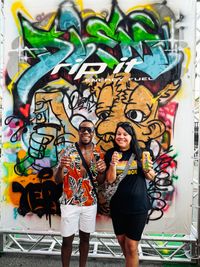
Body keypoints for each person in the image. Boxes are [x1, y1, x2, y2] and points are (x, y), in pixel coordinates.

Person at [54, 119, 106, 267]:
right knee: (67, 240)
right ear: (78, 131)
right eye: (83, 129)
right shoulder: (68, 151)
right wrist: (60, 168)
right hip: (69, 202)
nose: (86, 132)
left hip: (90, 203)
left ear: (93, 133)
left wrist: (102, 171)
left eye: (89, 130)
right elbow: (57, 180)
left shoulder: (98, 153)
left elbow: (100, 181)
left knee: (85, 239)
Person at [105, 122, 155, 267]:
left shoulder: (142, 153)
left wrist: (147, 168)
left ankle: (132, 260)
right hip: (118, 207)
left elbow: (151, 177)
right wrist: (113, 164)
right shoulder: (111, 154)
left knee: (132, 246)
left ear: (131, 137)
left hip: (138, 207)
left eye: (125, 134)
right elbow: (109, 180)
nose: (121, 137)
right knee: (122, 242)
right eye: (118, 134)